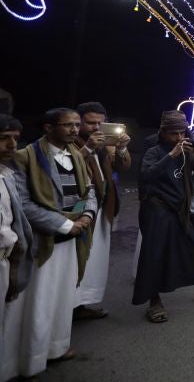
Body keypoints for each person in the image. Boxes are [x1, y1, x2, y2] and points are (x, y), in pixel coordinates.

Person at [14, 108, 96, 376]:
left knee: (62, 299)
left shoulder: (76, 155)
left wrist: (85, 215)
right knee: (39, 303)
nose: (74, 130)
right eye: (67, 125)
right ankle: (32, 358)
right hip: (44, 242)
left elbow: (88, 190)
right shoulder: (27, 156)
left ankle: (56, 348)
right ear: (48, 128)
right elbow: (23, 203)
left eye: (76, 124)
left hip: (72, 239)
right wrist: (64, 225)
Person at [133, 110, 194, 324]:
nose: (179, 138)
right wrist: (172, 155)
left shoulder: (187, 149)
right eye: (174, 133)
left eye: (182, 132)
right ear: (163, 132)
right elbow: (146, 176)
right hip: (158, 210)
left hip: (181, 210)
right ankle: (154, 301)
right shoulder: (154, 151)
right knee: (154, 256)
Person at [72, 100, 130, 320]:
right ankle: (66, 307)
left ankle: (81, 304)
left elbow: (122, 167)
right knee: (76, 261)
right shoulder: (72, 143)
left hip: (102, 209)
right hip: (77, 213)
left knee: (94, 261)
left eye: (100, 123)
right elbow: (67, 164)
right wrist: (88, 148)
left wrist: (122, 147)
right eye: (90, 123)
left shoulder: (105, 145)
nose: (95, 128)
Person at [0, 114, 34, 382]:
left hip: (8, 259)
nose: (12, 145)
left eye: (15, 139)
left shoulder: (9, 174)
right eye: (4, 139)